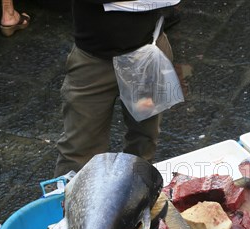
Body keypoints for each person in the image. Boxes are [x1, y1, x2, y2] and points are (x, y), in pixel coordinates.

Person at [53, 1, 177, 177]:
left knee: (144, 141)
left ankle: (135, 196)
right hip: (93, 62)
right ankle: (71, 203)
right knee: (79, 154)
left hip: (148, 50)